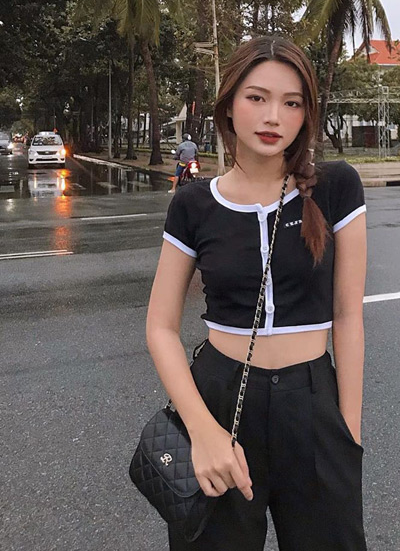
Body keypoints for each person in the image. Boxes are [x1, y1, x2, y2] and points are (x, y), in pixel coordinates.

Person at [146, 37, 368, 550]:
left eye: (292, 103)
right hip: (220, 396)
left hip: (312, 400)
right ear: (229, 105)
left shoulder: (336, 187)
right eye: (257, 98)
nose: (273, 117)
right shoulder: (194, 204)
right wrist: (203, 431)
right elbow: (160, 327)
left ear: (306, 114)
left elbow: (347, 315)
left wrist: (348, 433)